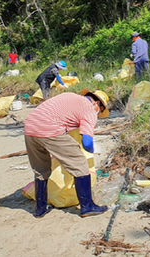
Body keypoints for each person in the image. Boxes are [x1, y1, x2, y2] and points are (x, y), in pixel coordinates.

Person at [24, 89, 110, 218]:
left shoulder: (69, 96)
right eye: (100, 111)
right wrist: (92, 150)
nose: (98, 114)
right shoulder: (89, 109)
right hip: (49, 129)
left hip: (30, 128)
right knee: (80, 163)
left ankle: (40, 209)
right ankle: (87, 206)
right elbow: (86, 143)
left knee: (41, 169)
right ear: (97, 104)